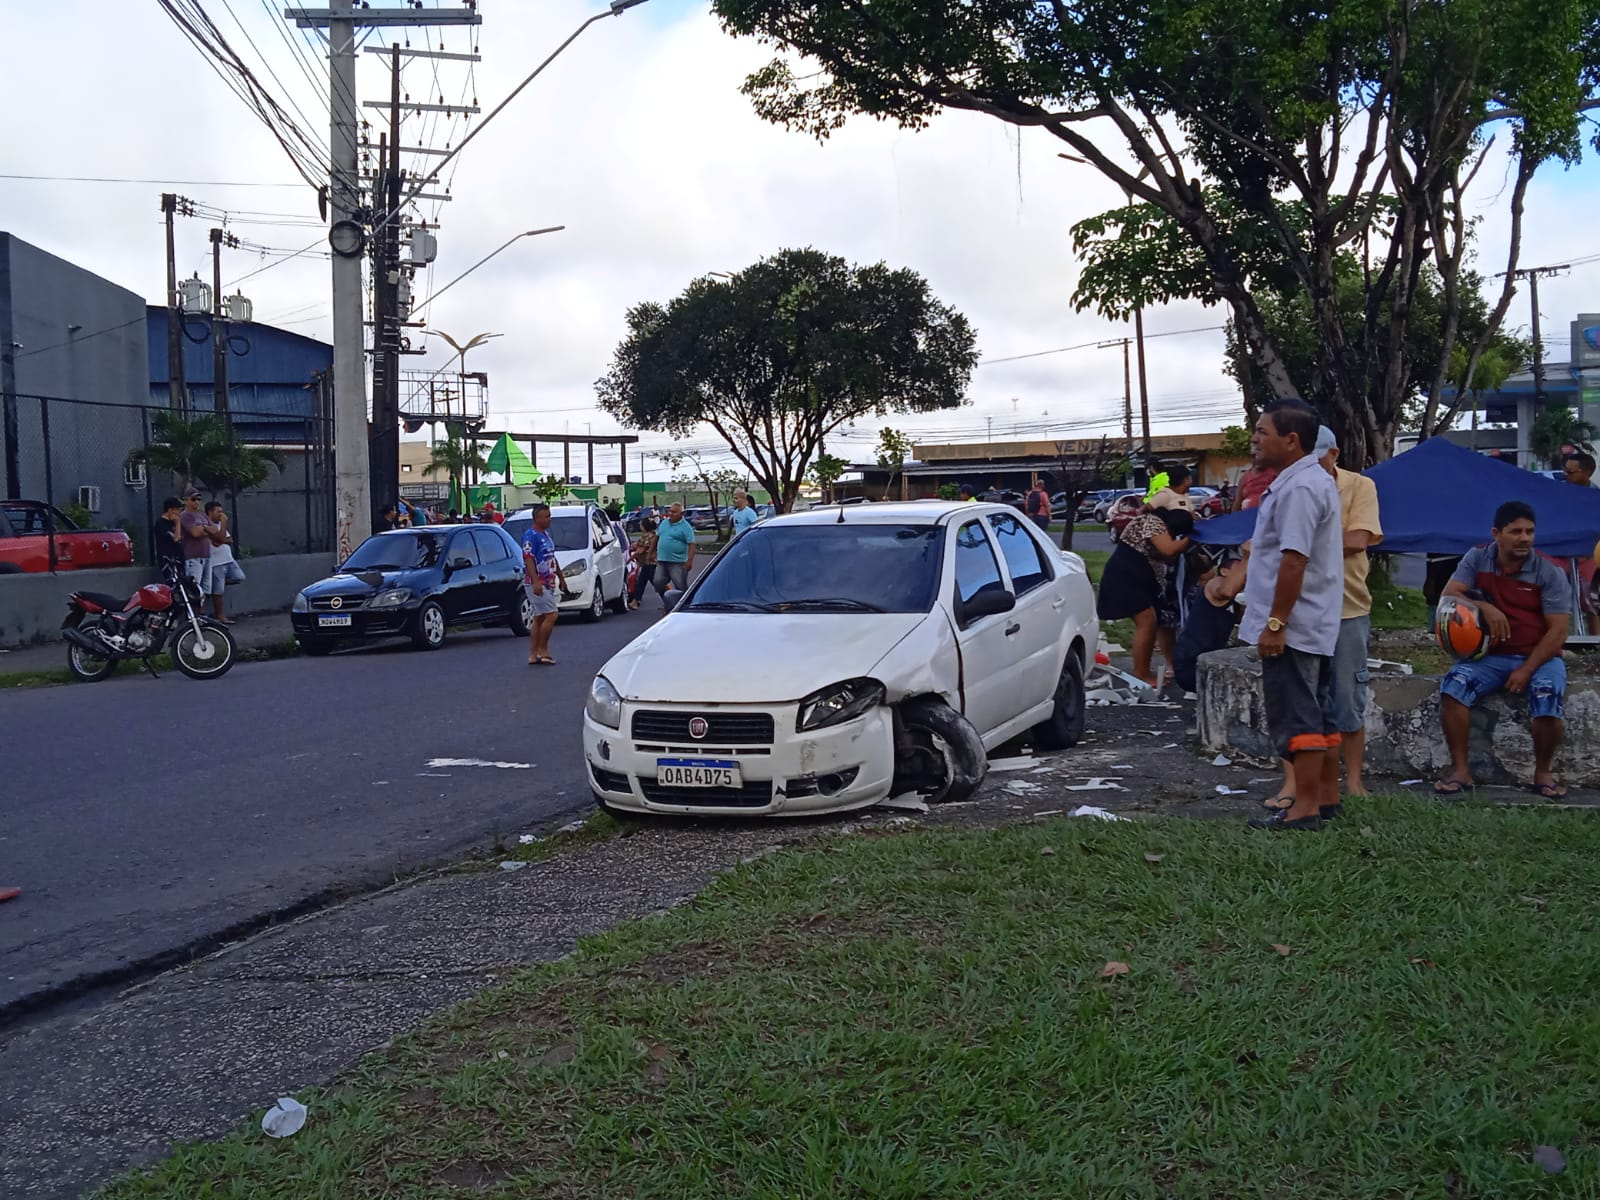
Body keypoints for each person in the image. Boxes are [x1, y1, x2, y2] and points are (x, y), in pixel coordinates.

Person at [1238, 402, 1343, 831]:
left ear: (1291, 440)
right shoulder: (1307, 480)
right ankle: (1326, 798)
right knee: (1320, 712)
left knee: (1297, 713)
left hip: (1295, 624)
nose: (1255, 439)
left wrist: (1276, 623)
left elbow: (1294, 560)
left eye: (1263, 432)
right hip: (1314, 617)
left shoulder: (1300, 488)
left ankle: (1303, 809)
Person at [1434, 501, 1572, 799]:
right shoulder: (1477, 558)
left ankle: (1543, 774)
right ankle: (1460, 771)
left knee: (1547, 697)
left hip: (1539, 655)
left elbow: (1558, 631)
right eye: (1516, 531)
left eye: (1530, 532)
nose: (1524, 538)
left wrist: (1526, 669)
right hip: (1490, 656)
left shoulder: (1549, 571)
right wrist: (1484, 606)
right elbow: (1450, 594)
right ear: (1497, 533)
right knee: (1453, 688)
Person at [1315, 426, 1383, 799]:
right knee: (1304, 702)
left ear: (1334, 454)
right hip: (1302, 611)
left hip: (1348, 608)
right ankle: (1299, 784)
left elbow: (1358, 540)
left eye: (1317, 460)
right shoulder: (1288, 486)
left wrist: (1298, 545)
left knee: (1348, 699)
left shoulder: (1359, 487)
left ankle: (1354, 781)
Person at [1096, 505, 1194, 688]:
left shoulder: (1153, 524)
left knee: (1151, 623)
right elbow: (1169, 550)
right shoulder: (1152, 522)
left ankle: (1143, 672)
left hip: (1136, 579)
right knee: (1147, 624)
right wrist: (1192, 537)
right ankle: (1141, 674)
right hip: (1126, 577)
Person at [1559, 451, 1599, 633]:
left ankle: (1595, 642)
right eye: (1565, 471)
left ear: (1587, 473)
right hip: (1560, 554)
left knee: (1593, 600)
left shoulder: (1595, 499)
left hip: (1588, 554)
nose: (1566, 476)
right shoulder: (1556, 493)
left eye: (1571, 472)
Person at [520, 503, 561, 665]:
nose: (549, 519)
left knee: (539, 617)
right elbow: (528, 558)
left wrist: (561, 578)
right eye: (546, 516)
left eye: (549, 516)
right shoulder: (531, 536)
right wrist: (536, 581)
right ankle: (543, 650)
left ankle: (533, 654)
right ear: (537, 518)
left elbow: (552, 557)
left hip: (549, 582)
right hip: (537, 583)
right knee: (552, 614)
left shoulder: (546, 535)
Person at [203, 501, 247, 624]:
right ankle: (220, 616)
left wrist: (222, 538)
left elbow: (229, 539)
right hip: (217, 563)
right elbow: (220, 540)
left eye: (221, 512)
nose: (221, 515)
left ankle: (214, 584)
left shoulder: (219, 527)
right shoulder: (209, 525)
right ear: (210, 512)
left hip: (228, 560)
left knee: (239, 577)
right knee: (219, 592)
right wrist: (223, 524)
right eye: (218, 512)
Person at [654, 501, 697, 602]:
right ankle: (667, 601)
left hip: (678, 562)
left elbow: (692, 544)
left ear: (681, 514)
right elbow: (656, 537)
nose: (670, 514)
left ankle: (684, 605)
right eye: (670, 511)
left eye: (674, 512)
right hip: (662, 560)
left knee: (680, 586)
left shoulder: (686, 527)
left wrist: (690, 560)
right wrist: (651, 551)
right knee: (657, 582)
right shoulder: (664, 523)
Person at [179, 488, 217, 596]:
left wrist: (203, 529)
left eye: (199, 499)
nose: (197, 502)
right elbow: (195, 533)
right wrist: (206, 529)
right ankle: (193, 611)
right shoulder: (185, 515)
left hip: (206, 555)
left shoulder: (202, 514)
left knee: (205, 589)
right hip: (193, 556)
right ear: (186, 500)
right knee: (195, 588)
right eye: (193, 499)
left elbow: (214, 530)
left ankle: (202, 611)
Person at [629, 516, 659, 610]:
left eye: (641, 524)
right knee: (641, 582)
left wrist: (631, 558)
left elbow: (641, 550)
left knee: (657, 584)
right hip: (648, 563)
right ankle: (635, 601)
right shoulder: (653, 534)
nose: (640, 526)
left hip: (649, 562)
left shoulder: (647, 536)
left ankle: (670, 600)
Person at [153, 496, 184, 576]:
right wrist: (177, 523)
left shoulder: (174, 523)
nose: (179, 513)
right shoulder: (161, 524)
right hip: (167, 559)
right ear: (170, 510)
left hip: (178, 558)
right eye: (178, 510)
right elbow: (176, 539)